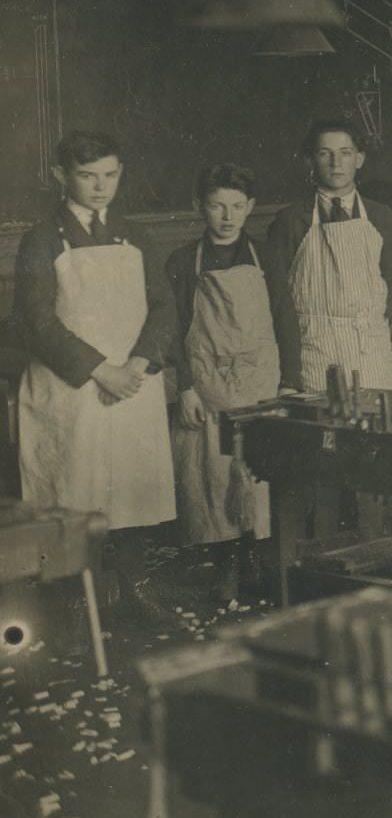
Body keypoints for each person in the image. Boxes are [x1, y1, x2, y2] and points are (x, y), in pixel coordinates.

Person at [14, 130, 178, 623]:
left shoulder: (137, 235)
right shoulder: (42, 239)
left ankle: (133, 589)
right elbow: (36, 322)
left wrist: (139, 364)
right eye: (87, 176)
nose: (100, 186)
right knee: (72, 492)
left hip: (132, 383)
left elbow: (165, 307)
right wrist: (99, 370)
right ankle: (70, 602)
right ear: (61, 176)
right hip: (73, 390)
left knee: (130, 489)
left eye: (110, 175)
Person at [165, 163, 281, 605]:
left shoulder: (264, 257)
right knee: (211, 480)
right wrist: (186, 387)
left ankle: (257, 561)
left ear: (250, 207)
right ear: (200, 208)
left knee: (259, 478)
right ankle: (225, 568)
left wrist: (286, 382)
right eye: (217, 206)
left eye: (237, 206)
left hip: (259, 380)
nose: (227, 217)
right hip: (207, 381)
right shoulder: (182, 261)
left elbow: (284, 318)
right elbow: (174, 330)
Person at [264, 119, 392, 393]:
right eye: (324, 153)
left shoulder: (380, 215)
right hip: (316, 347)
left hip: (370, 347)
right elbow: (279, 296)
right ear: (310, 161)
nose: (335, 163)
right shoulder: (291, 220)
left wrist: (389, 318)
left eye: (345, 153)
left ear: (360, 159)